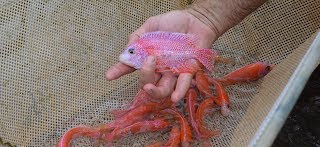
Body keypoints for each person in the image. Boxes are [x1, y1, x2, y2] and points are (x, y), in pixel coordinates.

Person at [105, 0, 267, 103]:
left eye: (131, 52)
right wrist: (206, 16)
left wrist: (206, 17)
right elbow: (164, 60)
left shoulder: (148, 45)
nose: (127, 56)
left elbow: (164, 58)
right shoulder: (144, 43)